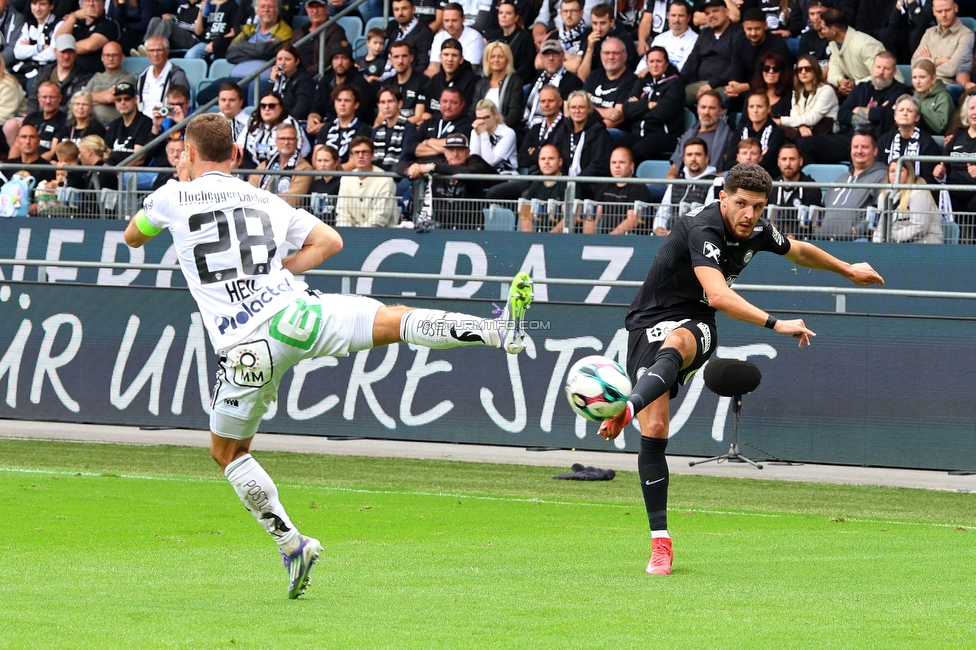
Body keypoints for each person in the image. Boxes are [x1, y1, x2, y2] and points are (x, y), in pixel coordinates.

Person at [123, 112, 535, 600]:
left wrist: (176, 189)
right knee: (394, 320)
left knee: (228, 452)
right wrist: (282, 269)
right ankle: (495, 328)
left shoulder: (173, 196)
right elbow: (330, 241)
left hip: (246, 347)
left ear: (186, 153)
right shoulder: (263, 198)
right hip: (296, 312)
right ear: (235, 155)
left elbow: (133, 236)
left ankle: (291, 543)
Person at [596, 162, 885, 576]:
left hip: (696, 322)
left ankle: (625, 408)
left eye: (759, 206)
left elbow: (798, 250)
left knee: (679, 342)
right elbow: (718, 293)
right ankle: (661, 542)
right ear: (723, 198)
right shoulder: (703, 229)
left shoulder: (757, 230)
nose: (749, 215)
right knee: (655, 429)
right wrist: (777, 323)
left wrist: (848, 269)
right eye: (741, 204)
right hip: (647, 321)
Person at [797, 52, 910, 164]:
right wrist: (872, 116)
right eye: (878, 67)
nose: (881, 72)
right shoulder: (861, 88)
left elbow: (887, 115)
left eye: (886, 69)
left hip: (876, 142)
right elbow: (842, 115)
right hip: (850, 139)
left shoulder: (900, 91)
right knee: (804, 144)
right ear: (872, 68)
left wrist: (860, 111)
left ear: (894, 71)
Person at [397, 132, 496, 228]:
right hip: (442, 228)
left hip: (471, 227)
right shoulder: (439, 163)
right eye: (451, 150)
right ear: (445, 152)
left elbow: (469, 172)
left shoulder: (475, 162)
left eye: (460, 150)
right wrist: (410, 170)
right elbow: (398, 165)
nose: (455, 154)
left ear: (468, 152)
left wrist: (432, 168)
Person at [819, 130, 888, 239]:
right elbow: (822, 208)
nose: (859, 151)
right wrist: (817, 229)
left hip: (854, 244)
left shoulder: (883, 176)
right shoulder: (841, 178)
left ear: (875, 151)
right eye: (855, 147)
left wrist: (856, 231)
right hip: (824, 240)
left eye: (864, 147)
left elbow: (881, 212)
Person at [622, 45, 684, 163]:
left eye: (659, 61)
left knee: (639, 150)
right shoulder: (642, 81)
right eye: (651, 61)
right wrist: (647, 105)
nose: (655, 65)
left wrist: (638, 108)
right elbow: (627, 110)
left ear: (666, 63)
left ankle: (634, 180)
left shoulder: (675, 84)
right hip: (638, 133)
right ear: (647, 63)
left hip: (664, 135)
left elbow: (662, 114)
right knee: (615, 148)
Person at [679, 0, 743, 107]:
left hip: (724, 85)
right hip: (700, 84)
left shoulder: (738, 33)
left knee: (714, 99)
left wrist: (711, 84)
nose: (711, 15)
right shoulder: (704, 34)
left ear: (726, 12)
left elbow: (736, 66)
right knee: (673, 95)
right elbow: (692, 61)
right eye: (707, 13)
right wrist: (677, 83)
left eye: (715, 11)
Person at [724, 9, 790, 111]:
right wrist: (733, 86)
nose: (753, 33)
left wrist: (744, 87)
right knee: (725, 99)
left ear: (765, 26)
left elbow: (776, 77)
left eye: (757, 28)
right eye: (749, 29)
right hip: (746, 89)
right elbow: (736, 70)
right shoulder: (739, 42)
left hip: (771, 88)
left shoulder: (777, 43)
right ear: (743, 28)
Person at [654, 137, 720, 235]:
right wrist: (658, 228)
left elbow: (707, 216)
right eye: (689, 155)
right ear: (684, 160)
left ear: (706, 159)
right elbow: (663, 210)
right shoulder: (676, 181)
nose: (693, 158)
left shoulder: (715, 183)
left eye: (698, 154)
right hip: (669, 238)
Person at [820, 9, 892, 97]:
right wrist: (841, 81)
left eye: (823, 28)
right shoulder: (834, 44)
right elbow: (833, 73)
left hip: (886, 93)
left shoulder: (865, 44)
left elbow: (881, 75)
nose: (822, 32)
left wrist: (855, 84)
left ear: (833, 30)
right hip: (862, 93)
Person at [934, 94, 976, 242]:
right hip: (953, 193)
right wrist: (939, 173)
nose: (975, 112)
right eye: (972, 108)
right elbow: (944, 165)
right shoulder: (956, 137)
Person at [667, 89, 737, 177]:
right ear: (697, 109)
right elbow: (674, 168)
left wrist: (707, 179)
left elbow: (730, 172)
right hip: (684, 183)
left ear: (720, 111)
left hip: (712, 184)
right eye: (703, 107)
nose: (706, 112)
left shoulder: (730, 137)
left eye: (712, 108)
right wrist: (671, 180)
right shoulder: (688, 135)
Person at [334, 135, 397, 227]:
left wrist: (361, 235)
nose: (360, 156)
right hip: (350, 234)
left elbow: (381, 217)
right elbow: (342, 214)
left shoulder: (385, 179)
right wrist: (347, 233)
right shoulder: (345, 179)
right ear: (351, 157)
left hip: (382, 234)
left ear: (372, 156)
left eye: (365, 152)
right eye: (356, 152)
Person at [877, 94, 942, 182]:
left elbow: (929, 177)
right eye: (901, 110)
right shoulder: (885, 140)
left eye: (910, 111)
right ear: (895, 116)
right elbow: (879, 170)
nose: (904, 113)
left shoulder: (927, 142)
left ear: (917, 117)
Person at [873, 160, 942, 243]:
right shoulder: (884, 195)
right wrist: (878, 242)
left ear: (909, 173)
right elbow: (880, 225)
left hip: (924, 244)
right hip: (896, 244)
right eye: (892, 171)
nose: (896, 174)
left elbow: (920, 227)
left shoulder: (918, 193)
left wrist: (892, 237)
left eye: (900, 171)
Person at [588, 146, 653, 234]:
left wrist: (610, 240)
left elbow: (633, 219)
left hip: (631, 241)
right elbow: (594, 216)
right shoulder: (606, 185)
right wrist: (589, 239)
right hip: (606, 240)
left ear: (631, 165)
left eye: (621, 162)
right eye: (613, 162)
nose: (617, 166)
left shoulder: (639, 188)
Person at [910, 0, 973, 90]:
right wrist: (937, 61)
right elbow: (914, 63)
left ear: (955, 8)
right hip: (922, 85)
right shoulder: (929, 33)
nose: (943, 15)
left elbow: (951, 69)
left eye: (947, 10)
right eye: (939, 11)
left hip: (946, 86)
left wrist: (925, 63)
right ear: (933, 11)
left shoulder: (966, 34)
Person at [223, 0, 291, 82]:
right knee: (208, 92)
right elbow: (230, 54)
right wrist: (259, 52)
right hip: (234, 78)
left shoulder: (285, 31)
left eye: (271, 7)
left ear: (277, 11)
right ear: (257, 11)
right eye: (262, 7)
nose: (266, 10)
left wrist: (242, 46)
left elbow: (263, 51)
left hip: (260, 81)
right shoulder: (249, 29)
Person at [239, 90, 308, 169]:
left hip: (285, 169)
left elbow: (300, 151)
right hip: (254, 169)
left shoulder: (290, 123)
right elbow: (241, 148)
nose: (267, 109)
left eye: (272, 106)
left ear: (281, 107)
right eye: (263, 106)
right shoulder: (253, 122)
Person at [775, 54, 838, 141]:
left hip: (824, 135)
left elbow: (812, 118)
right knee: (778, 132)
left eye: (807, 69)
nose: (803, 72)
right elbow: (794, 115)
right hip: (804, 132)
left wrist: (780, 121)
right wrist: (801, 126)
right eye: (800, 70)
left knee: (781, 131)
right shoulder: (797, 91)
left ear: (815, 70)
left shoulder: (826, 90)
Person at [524, 39, 583, 129]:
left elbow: (568, 118)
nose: (551, 58)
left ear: (563, 56)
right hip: (529, 127)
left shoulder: (573, 82)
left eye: (555, 54)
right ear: (541, 58)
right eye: (546, 54)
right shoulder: (537, 78)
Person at [247, 122, 312, 205]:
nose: (286, 142)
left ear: (296, 141)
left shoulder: (305, 169)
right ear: (276, 141)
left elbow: (291, 201)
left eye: (290, 139)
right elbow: (249, 191)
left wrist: (262, 197)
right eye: (282, 138)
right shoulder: (265, 165)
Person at [582, 36, 636, 134]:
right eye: (606, 53)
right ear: (601, 55)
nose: (610, 57)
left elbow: (617, 118)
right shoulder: (595, 75)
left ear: (625, 56)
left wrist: (590, 132)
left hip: (615, 132)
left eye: (615, 53)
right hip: (589, 128)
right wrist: (605, 112)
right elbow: (582, 106)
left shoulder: (632, 80)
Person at [27, 34, 91, 115]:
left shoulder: (82, 77)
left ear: (75, 53)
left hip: (64, 121)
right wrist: (31, 118)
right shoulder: (45, 71)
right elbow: (33, 98)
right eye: (63, 52)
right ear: (55, 52)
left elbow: (72, 105)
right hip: (39, 116)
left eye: (70, 52)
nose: (66, 56)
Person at [769, 142, 822, 237]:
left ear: (800, 161)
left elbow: (811, 223)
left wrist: (793, 236)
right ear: (778, 162)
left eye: (792, 159)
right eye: (784, 159)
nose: (788, 163)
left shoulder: (812, 188)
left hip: (802, 241)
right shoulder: (772, 187)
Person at [407, 86, 473, 162]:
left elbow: (457, 145)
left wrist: (428, 141)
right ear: (439, 102)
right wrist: (446, 150)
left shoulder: (468, 123)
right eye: (445, 101)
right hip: (419, 167)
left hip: (447, 168)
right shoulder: (430, 121)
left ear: (462, 104)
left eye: (453, 102)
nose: (448, 106)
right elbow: (412, 147)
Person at [55, 0, 121, 74]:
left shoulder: (109, 24)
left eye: (95, 1)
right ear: (82, 4)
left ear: (103, 4)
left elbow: (88, 47)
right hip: (68, 74)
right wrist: (73, 17)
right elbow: (59, 40)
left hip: (93, 76)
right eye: (87, 0)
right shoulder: (76, 23)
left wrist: (65, 47)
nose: (91, 4)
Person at [576, 4, 637, 83]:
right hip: (594, 83)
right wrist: (590, 48)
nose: (598, 28)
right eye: (595, 23)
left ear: (612, 22)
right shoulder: (589, 37)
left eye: (602, 23)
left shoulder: (623, 39)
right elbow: (582, 77)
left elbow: (621, 70)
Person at [314, 83, 371, 168]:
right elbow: (316, 158)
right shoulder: (326, 128)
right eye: (338, 100)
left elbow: (354, 163)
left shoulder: (363, 129)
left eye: (347, 100)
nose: (342, 104)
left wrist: (332, 173)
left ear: (356, 105)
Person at [561, 89, 611, 186]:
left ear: (589, 109)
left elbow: (598, 165)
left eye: (581, 107)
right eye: (573, 107)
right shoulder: (563, 130)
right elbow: (556, 157)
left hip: (589, 185)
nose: (577, 111)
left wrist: (576, 182)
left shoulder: (599, 133)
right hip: (563, 183)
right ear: (568, 109)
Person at [473, 41, 524, 133]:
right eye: (492, 56)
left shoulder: (515, 81)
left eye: (500, 56)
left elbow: (515, 112)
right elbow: (473, 109)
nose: (496, 60)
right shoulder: (481, 83)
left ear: (507, 59)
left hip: (504, 131)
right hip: (482, 130)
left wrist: (499, 130)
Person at [135, 35, 189, 120]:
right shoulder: (142, 76)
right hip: (141, 123)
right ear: (147, 53)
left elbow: (182, 107)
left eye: (159, 50)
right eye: (152, 50)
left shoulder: (177, 75)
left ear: (167, 51)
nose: (155, 54)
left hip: (166, 122)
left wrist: (159, 114)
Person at [6, 79, 62, 159]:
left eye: (52, 97)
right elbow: (17, 145)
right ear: (38, 97)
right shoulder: (31, 117)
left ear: (60, 98)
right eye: (44, 97)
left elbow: (53, 152)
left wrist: (33, 166)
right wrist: (10, 166)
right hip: (27, 163)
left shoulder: (65, 120)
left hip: (47, 166)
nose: (48, 101)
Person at [518, 143, 567, 232]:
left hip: (561, 240)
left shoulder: (568, 185)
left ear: (560, 162)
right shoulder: (536, 184)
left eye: (551, 158)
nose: (546, 162)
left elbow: (571, 217)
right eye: (543, 159)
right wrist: (530, 238)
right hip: (536, 237)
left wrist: (548, 237)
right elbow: (525, 215)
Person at [426, 3, 485, 77]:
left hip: (467, 83)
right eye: (446, 21)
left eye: (454, 20)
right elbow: (433, 67)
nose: (450, 24)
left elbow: (471, 69)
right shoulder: (439, 37)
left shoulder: (475, 37)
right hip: (443, 81)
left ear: (463, 19)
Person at [84, 41, 136, 125]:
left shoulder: (128, 77)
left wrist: (92, 96)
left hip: (113, 124)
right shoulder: (96, 77)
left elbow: (110, 98)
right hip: (91, 122)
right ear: (102, 57)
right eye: (107, 55)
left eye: (114, 55)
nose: (110, 59)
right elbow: (83, 98)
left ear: (122, 57)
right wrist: (103, 96)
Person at [483, 0, 535, 85]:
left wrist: (509, 83)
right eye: (501, 13)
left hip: (515, 84)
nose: (503, 16)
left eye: (508, 13)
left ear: (516, 17)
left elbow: (526, 68)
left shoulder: (525, 37)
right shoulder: (493, 37)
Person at [424, 37, 478, 115]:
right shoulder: (434, 81)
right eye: (446, 55)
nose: (450, 59)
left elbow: (468, 113)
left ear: (461, 59)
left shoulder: (472, 81)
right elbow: (427, 110)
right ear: (440, 57)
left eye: (454, 55)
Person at [104, 81, 153, 167]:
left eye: (127, 99)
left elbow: (139, 158)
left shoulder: (145, 122)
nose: (122, 102)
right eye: (118, 99)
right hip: (113, 171)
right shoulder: (114, 124)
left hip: (132, 173)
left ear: (135, 100)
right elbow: (106, 153)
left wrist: (119, 173)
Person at [736, 92, 785, 174]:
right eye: (751, 107)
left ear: (768, 109)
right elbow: (729, 161)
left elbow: (768, 162)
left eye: (759, 106)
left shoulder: (777, 133)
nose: (755, 111)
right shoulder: (739, 131)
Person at [11, 0, 57, 85]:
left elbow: (53, 54)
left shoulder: (59, 24)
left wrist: (29, 51)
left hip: (46, 70)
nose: (37, 8)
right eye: (34, 4)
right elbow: (17, 52)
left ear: (51, 6)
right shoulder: (28, 25)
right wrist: (40, 48)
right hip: (25, 69)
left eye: (42, 4)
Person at [383, 42, 429, 127]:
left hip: (411, 129)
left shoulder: (423, 81)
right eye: (396, 57)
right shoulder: (387, 83)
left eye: (404, 56)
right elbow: (381, 115)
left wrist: (395, 125)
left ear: (411, 58)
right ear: (391, 60)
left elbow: (418, 116)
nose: (400, 61)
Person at [289, 0, 341, 73]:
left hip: (313, 76)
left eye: (319, 6)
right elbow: (288, 54)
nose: (315, 11)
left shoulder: (336, 31)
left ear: (327, 8)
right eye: (311, 7)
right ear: (306, 9)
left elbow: (327, 62)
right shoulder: (299, 32)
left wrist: (301, 74)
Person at [372, 86, 415, 173]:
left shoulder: (409, 128)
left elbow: (405, 157)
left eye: (390, 101)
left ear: (400, 104)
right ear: (378, 105)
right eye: (383, 102)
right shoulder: (376, 131)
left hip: (398, 176)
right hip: (376, 177)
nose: (386, 106)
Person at [647, 0, 698, 73]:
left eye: (681, 16)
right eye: (673, 15)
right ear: (668, 16)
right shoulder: (659, 39)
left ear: (689, 17)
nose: (676, 20)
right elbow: (643, 64)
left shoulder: (695, 40)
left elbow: (683, 69)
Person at [469, 98, 517, 174]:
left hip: (505, 174)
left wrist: (483, 134)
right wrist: (477, 135)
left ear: (496, 115)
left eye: (486, 117)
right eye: (479, 118)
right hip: (482, 175)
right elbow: (474, 159)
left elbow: (490, 162)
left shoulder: (508, 133)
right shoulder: (475, 131)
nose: (482, 122)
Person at [386, 0, 436, 73]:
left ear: (413, 9)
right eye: (396, 9)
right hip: (387, 76)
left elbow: (422, 65)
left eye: (404, 8)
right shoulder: (392, 27)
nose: (400, 13)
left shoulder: (424, 32)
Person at [268, 45, 315, 122]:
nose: (283, 63)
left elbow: (301, 109)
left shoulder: (304, 80)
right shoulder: (277, 77)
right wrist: (271, 81)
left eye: (288, 59)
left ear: (297, 61)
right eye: (279, 59)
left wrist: (284, 121)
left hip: (292, 122)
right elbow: (265, 100)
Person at [139, 0, 204, 55]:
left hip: (193, 39)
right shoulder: (182, 6)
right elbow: (179, 23)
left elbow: (197, 30)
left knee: (167, 23)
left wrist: (171, 23)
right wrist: (173, 20)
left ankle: (153, 49)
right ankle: (145, 46)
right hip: (180, 37)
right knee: (155, 20)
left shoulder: (203, 7)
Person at [911, 59, 953, 135]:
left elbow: (941, 126)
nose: (917, 81)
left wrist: (919, 105)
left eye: (922, 77)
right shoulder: (913, 95)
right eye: (914, 77)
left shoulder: (943, 96)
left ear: (933, 78)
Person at [750, 51, 792, 118]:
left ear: (782, 72)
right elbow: (743, 123)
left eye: (776, 69)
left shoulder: (789, 97)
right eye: (766, 68)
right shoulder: (752, 95)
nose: (771, 71)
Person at [308, 144, 340, 223]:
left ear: (335, 163)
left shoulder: (342, 183)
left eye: (326, 161)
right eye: (319, 161)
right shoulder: (315, 184)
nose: (322, 164)